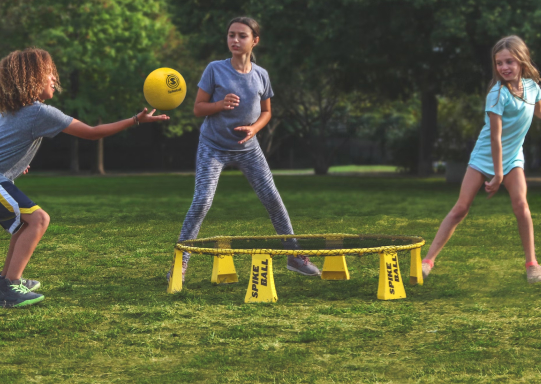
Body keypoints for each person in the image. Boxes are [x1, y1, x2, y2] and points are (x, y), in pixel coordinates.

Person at [0, 48, 169, 308]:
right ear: (31, 79)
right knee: (39, 219)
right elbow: (92, 133)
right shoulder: (39, 113)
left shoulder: (13, 111)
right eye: (48, 74)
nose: (54, 79)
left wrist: (15, 165)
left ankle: (7, 281)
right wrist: (135, 119)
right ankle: (10, 288)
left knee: (26, 223)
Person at [422, 36, 541, 283]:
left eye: (509, 61)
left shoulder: (532, 87)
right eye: (499, 63)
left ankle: (532, 264)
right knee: (461, 208)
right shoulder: (497, 95)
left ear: (521, 61)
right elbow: (495, 138)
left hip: (512, 157)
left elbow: (540, 110)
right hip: (485, 155)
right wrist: (497, 175)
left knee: (521, 206)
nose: (504, 67)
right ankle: (427, 261)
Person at [169, 16, 320, 282]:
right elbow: (198, 108)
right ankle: (180, 264)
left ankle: (295, 256)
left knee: (273, 199)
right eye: (231, 35)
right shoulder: (215, 69)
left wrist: (254, 129)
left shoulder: (261, 75)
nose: (235, 40)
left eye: (242, 36)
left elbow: (266, 112)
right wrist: (219, 105)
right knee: (202, 201)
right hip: (213, 146)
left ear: (255, 41)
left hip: (248, 149)